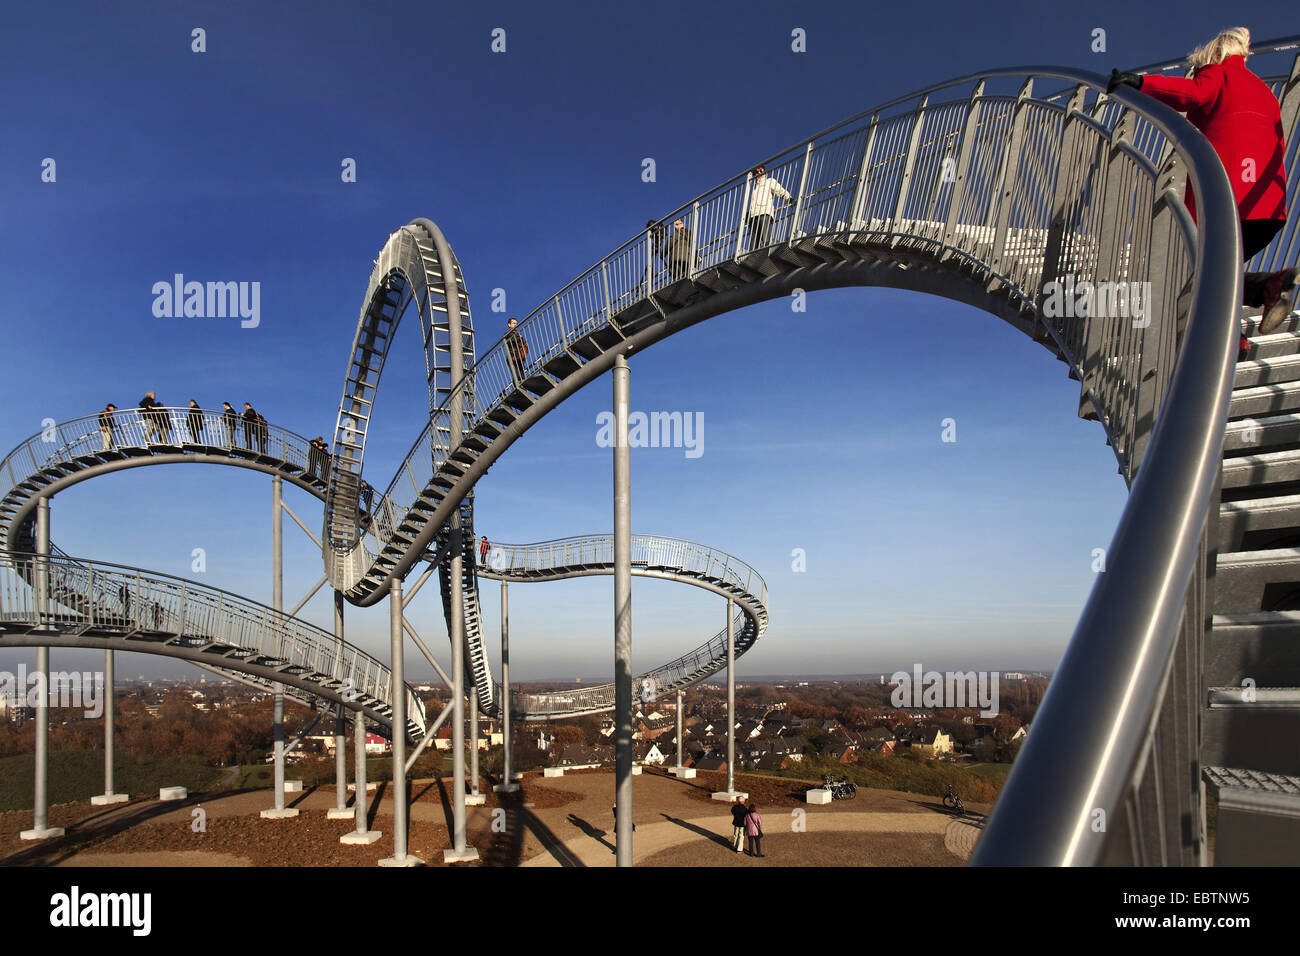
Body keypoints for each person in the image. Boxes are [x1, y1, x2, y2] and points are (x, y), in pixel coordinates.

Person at [1110, 27, 1296, 332]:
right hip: (1266, 204)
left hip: (1228, 198)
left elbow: (1191, 93)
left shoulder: (1217, 75)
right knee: (1218, 274)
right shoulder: (1263, 90)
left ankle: (1233, 336)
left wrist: (1141, 83)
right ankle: (1268, 288)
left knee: (1209, 277)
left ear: (1213, 55)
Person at [746, 164, 792, 251]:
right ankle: (753, 256)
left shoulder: (769, 181)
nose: (758, 173)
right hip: (753, 216)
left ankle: (766, 252)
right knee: (754, 242)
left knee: (764, 239)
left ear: (764, 173)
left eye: (761, 171)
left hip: (764, 212)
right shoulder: (755, 189)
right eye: (756, 172)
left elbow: (780, 190)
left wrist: (789, 198)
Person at [504, 317, 529, 388]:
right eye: (514, 323)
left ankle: (523, 388)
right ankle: (518, 389)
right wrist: (520, 339)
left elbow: (522, 343)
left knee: (522, 375)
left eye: (516, 323)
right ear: (509, 325)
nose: (516, 325)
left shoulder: (518, 334)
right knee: (516, 375)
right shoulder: (508, 334)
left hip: (519, 357)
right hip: (512, 357)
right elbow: (514, 341)